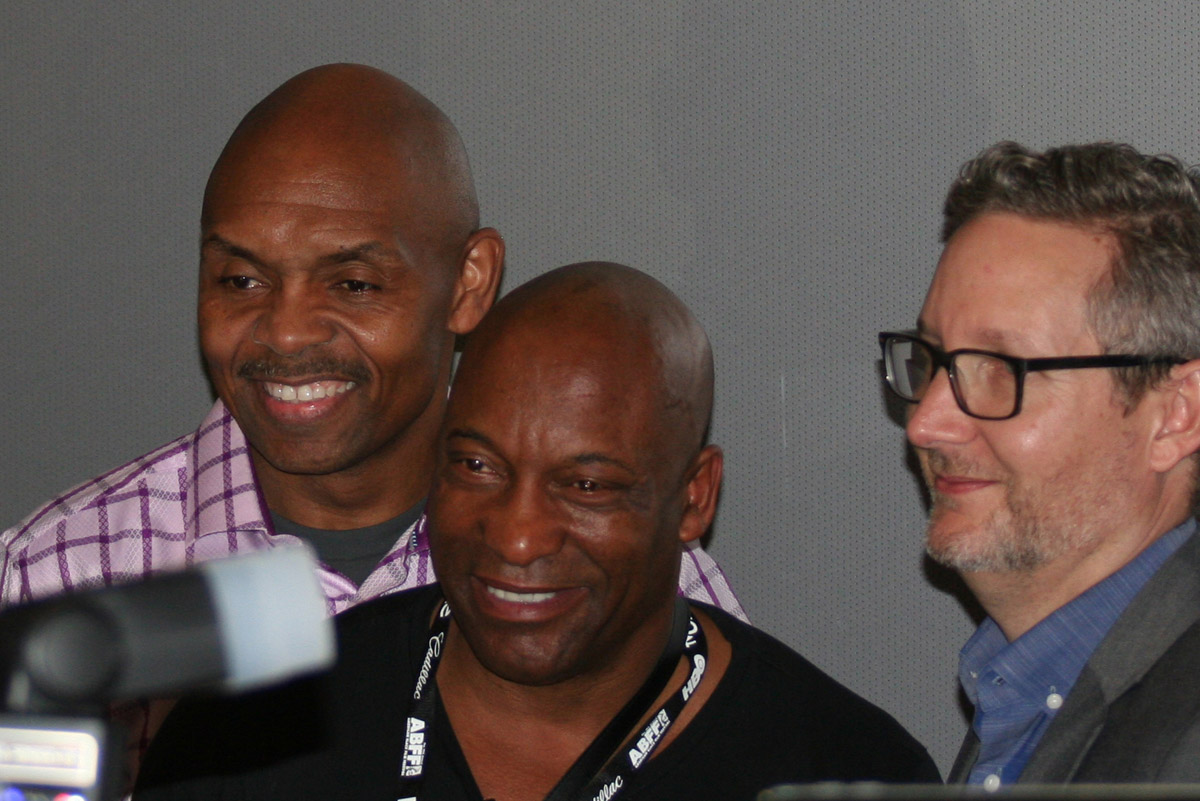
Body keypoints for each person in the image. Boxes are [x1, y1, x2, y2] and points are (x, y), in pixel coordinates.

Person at [134, 262, 939, 801]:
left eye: (585, 485)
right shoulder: (243, 737)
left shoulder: (844, 771)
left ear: (694, 498)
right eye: (477, 467)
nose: (516, 537)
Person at [0, 64, 745, 617]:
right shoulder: (63, 578)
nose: (286, 330)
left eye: (353, 284)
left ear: (468, 283)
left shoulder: (599, 564)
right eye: (240, 281)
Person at [879, 141, 1200, 785]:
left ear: (1175, 416)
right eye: (931, 357)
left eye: (1000, 370)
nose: (925, 422)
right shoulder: (1027, 688)